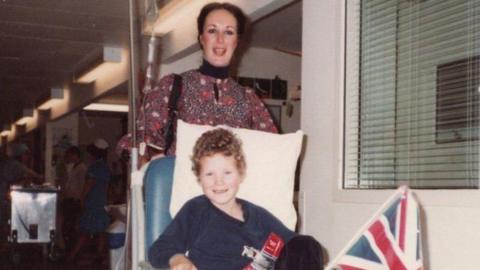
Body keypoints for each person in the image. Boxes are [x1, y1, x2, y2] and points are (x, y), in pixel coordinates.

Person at [118, 2, 278, 160]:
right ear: (202, 38)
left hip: (231, 185)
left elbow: (275, 148)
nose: (220, 39)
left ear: (237, 41)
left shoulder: (249, 99)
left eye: (229, 32)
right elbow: (139, 137)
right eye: (212, 30)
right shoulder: (173, 86)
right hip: (182, 182)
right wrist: (147, 158)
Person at [148, 129, 323, 270]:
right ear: (199, 178)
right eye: (209, 174)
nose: (219, 181)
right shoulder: (197, 209)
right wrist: (178, 259)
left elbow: (292, 245)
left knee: (306, 246)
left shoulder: (257, 216)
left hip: (258, 266)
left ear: (240, 174)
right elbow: (160, 248)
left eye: (227, 173)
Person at [66, 139, 111, 264]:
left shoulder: (94, 167)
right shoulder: (105, 168)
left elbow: (88, 185)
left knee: (84, 231)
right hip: (101, 202)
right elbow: (107, 187)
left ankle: (71, 257)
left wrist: (82, 199)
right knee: (101, 231)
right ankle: (99, 256)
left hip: (92, 203)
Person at [62, 146, 87, 251]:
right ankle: (69, 247)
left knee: (71, 225)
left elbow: (82, 185)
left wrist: (81, 199)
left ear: (74, 155)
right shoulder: (74, 167)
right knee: (68, 225)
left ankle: (72, 249)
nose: (68, 158)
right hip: (70, 199)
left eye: (69, 155)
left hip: (74, 200)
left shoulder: (82, 168)